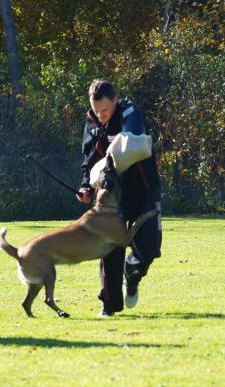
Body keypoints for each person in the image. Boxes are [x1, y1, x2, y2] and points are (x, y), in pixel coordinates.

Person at [77, 79, 162, 317]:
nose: (101, 115)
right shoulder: (91, 122)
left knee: (149, 249)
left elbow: (133, 141)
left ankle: (132, 274)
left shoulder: (130, 112)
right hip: (110, 196)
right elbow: (89, 159)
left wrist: (112, 142)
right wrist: (86, 187)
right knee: (110, 250)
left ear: (115, 100)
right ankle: (109, 305)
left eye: (105, 110)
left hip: (144, 191)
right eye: (96, 111)